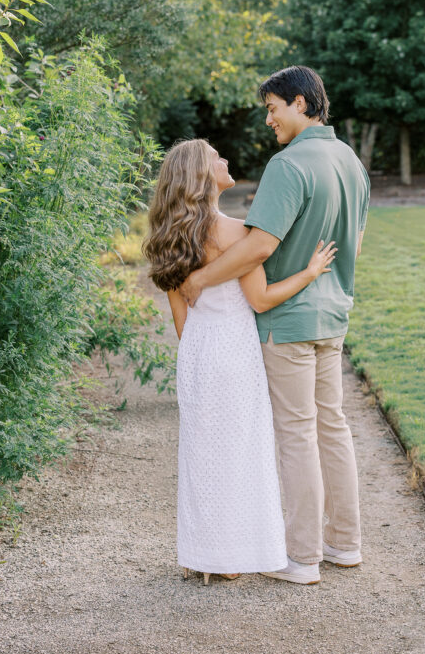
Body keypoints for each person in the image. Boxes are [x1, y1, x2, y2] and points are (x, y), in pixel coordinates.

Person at [180, 66, 370, 585]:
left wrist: (197, 281)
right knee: (332, 427)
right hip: (333, 314)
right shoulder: (349, 161)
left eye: (273, 108)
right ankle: (345, 545)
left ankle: (303, 557)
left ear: (302, 104)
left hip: (286, 319)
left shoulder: (288, 166)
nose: (269, 120)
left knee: (297, 434)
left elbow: (258, 247)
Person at [144, 138, 336, 586]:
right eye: (216, 157)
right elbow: (262, 298)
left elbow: (182, 320)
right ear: (202, 175)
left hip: (196, 352)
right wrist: (308, 273)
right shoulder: (236, 234)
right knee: (239, 455)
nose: (225, 160)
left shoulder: (168, 237)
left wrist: (197, 353)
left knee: (201, 456)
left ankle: (203, 555)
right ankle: (231, 557)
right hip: (234, 352)